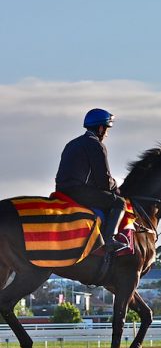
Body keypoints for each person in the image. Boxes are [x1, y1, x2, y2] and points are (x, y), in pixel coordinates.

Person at [55, 108, 128, 253]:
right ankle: (109, 240)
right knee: (119, 203)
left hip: (62, 191)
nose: (107, 133)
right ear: (100, 128)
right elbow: (104, 181)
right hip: (79, 192)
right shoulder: (96, 145)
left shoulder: (72, 143)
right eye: (107, 129)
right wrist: (116, 188)